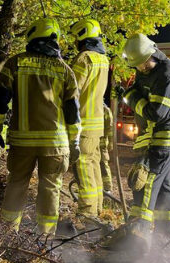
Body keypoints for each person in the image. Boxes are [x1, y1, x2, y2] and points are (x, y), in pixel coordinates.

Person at [0, 18, 80, 234]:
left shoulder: (15, 63)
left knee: (16, 184)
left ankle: (8, 235)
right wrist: (74, 142)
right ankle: (44, 240)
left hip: (22, 142)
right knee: (50, 190)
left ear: (32, 36)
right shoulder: (65, 71)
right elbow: (73, 113)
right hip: (55, 145)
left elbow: (0, 101)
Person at [117, 33, 170, 247]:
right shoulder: (146, 68)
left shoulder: (168, 75)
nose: (139, 69)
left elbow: (156, 114)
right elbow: (136, 92)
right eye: (136, 66)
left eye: (142, 64)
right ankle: (166, 236)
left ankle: (139, 236)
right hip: (153, 135)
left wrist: (131, 97)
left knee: (146, 183)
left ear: (152, 54)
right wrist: (130, 94)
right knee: (165, 186)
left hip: (165, 137)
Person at [68, 18, 110, 221]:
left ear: (83, 35)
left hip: (83, 124)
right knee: (94, 167)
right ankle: (99, 209)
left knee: (83, 169)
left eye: (77, 37)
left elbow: (71, 91)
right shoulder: (103, 59)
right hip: (97, 126)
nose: (76, 41)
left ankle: (86, 214)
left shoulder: (84, 58)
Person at [101, 103, 114, 193]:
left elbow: (109, 129)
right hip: (89, 142)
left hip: (101, 143)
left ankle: (107, 188)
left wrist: (110, 142)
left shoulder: (105, 110)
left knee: (103, 165)